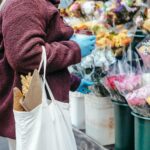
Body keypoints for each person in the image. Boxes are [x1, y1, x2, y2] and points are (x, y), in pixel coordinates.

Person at [0, 0, 96, 149]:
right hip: (32, 107)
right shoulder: (24, 3)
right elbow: (25, 56)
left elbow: (39, 62)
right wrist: (74, 48)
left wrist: (72, 82)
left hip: (37, 101)